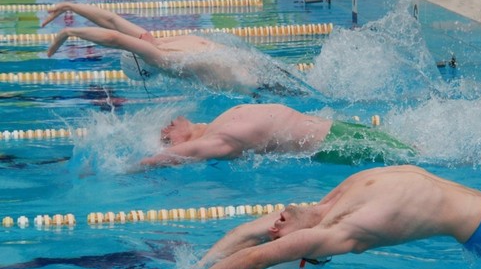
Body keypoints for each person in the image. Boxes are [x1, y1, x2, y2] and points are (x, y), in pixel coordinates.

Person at [196, 165, 481, 269]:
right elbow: (260, 257)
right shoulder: (342, 232)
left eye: (275, 226)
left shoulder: (337, 197)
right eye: (278, 233)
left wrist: (197, 266)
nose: (272, 226)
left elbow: (247, 233)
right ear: (307, 248)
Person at [41, 2, 275, 93]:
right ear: (142, 59)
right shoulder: (161, 58)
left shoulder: (157, 44)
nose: (138, 37)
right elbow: (114, 38)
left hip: (258, 70)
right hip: (257, 85)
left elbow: (112, 21)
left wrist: (70, 6)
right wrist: (69, 31)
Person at [139, 103, 416, 167]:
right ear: (177, 142)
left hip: (339, 130)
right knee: (417, 158)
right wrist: (125, 170)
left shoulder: (215, 124)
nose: (166, 126)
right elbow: (166, 158)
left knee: (415, 150)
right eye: (165, 133)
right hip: (333, 145)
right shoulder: (218, 140)